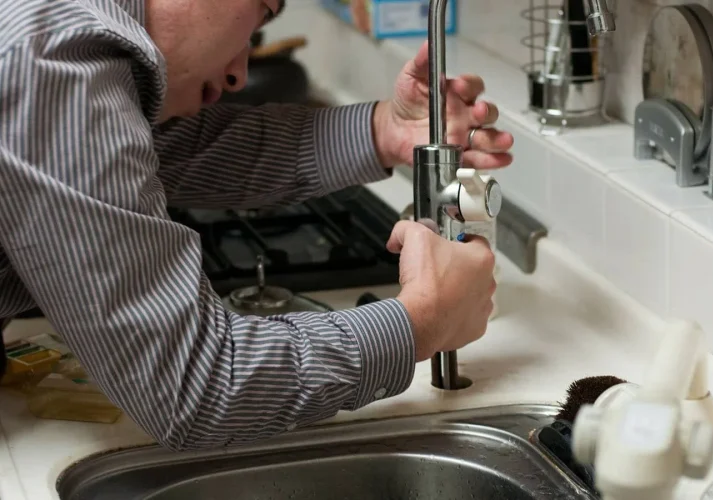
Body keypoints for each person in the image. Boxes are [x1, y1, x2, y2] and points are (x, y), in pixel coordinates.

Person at [0, 0, 514, 450]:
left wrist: (386, 130)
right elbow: (197, 387)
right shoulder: (56, 60)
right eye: (260, 19)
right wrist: (420, 322)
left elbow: (183, 151)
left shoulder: (63, 32)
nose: (239, 75)